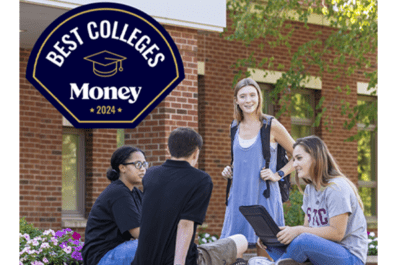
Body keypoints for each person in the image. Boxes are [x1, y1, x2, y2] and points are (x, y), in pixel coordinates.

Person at [132, 127, 249, 265]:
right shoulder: (201, 179)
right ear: (196, 152)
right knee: (241, 241)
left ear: (169, 150)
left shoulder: (150, 174)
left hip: (142, 261)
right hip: (181, 260)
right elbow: (185, 224)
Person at [248, 136, 368, 265]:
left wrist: (298, 231)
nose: (294, 165)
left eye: (299, 158)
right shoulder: (310, 190)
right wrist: (275, 235)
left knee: (303, 239)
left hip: (350, 257)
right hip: (320, 255)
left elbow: (337, 233)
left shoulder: (336, 188)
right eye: (294, 160)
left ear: (316, 158)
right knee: (273, 241)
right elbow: (308, 229)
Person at [221, 78, 295, 255]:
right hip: (238, 197)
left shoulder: (271, 125)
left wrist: (278, 174)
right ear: (236, 101)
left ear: (259, 98)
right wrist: (230, 170)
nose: (248, 100)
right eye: (243, 96)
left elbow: (300, 154)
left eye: (252, 95)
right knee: (233, 251)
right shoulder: (234, 126)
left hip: (264, 196)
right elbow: (243, 160)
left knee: (266, 252)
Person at [82, 146, 149, 265]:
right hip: (102, 257)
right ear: (122, 167)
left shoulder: (136, 193)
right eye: (138, 164)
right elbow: (139, 233)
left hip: (120, 251)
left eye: (144, 164)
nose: (143, 169)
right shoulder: (118, 192)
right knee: (154, 245)